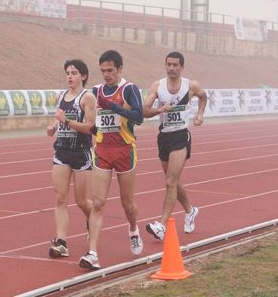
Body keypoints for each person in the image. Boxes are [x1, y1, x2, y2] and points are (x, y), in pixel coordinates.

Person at [79, 50, 144, 270]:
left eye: (110, 70)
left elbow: (139, 117)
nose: (106, 75)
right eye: (103, 71)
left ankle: (133, 228)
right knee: (98, 203)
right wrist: (93, 126)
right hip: (103, 151)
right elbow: (90, 120)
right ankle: (93, 254)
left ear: (119, 69)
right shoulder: (95, 91)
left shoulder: (129, 89)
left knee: (127, 204)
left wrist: (113, 106)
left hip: (125, 151)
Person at [143, 51, 207, 240]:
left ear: (181, 67)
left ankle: (161, 225)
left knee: (170, 182)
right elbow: (144, 111)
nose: (171, 68)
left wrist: (200, 114)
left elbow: (203, 97)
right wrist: (159, 109)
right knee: (174, 181)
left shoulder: (191, 85)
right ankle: (190, 210)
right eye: (168, 64)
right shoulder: (158, 86)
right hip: (164, 137)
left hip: (181, 135)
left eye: (175, 65)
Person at [47, 59, 96, 257]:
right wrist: (53, 127)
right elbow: (58, 119)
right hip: (61, 151)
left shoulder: (87, 97)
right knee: (60, 198)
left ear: (83, 76)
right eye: (67, 72)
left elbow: (90, 126)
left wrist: (66, 121)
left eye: (74, 73)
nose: (69, 76)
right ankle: (61, 242)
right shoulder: (61, 96)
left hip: (81, 152)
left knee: (82, 201)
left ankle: (92, 221)